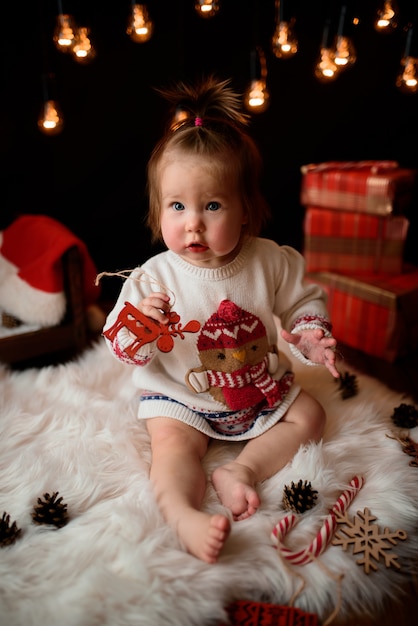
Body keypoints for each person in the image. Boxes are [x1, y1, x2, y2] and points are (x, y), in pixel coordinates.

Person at [102, 76, 339, 565]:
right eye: (177, 206)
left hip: (255, 387)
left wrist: (311, 334)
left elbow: (300, 302)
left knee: (311, 414)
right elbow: (122, 344)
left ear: (247, 211)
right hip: (180, 394)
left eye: (211, 205)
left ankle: (242, 471)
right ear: (158, 209)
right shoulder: (154, 277)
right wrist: (139, 325)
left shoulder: (269, 259)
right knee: (171, 446)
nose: (193, 223)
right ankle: (183, 512)